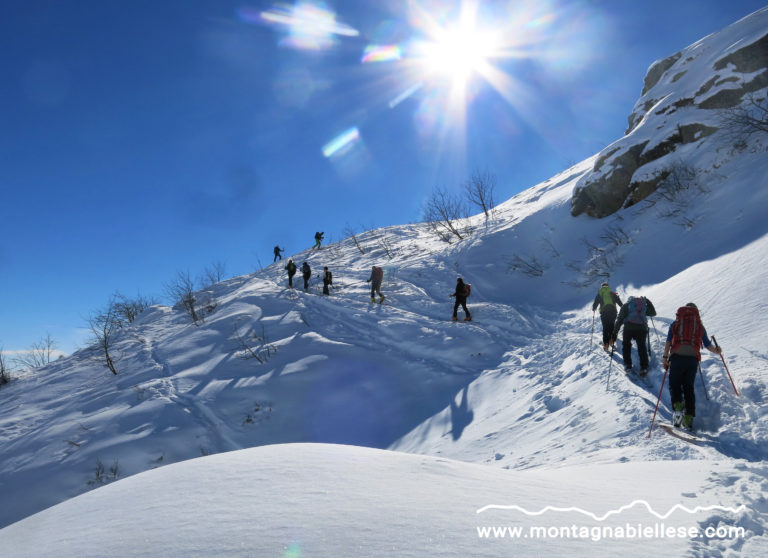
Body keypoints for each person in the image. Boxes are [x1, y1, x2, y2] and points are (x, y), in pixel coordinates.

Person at [662, 303, 722, 431]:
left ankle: (678, 411)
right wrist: (716, 351)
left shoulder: (676, 323)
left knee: (675, 385)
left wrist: (665, 358)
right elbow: (707, 344)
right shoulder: (699, 326)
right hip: (692, 360)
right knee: (688, 387)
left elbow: (668, 341)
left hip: (677, 358)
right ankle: (689, 418)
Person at [612, 295, 656, 375]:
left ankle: (628, 365)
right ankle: (644, 367)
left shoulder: (626, 305)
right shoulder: (643, 306)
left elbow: (620, 319)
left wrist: (614, 333)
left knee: (626, 345)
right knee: (641, 346)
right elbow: (653, 313)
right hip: (641, 329)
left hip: (629, 328)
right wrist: (648, 302)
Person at [592, 282, 623, 350]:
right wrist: (622, 307)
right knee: (612, 325)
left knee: (605, 327)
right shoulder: (612, 293)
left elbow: (595, 303)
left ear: (602, 287)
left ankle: (606, 344)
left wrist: (594, 308)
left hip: (604, 313)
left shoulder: (599, 294)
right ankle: (611, 340)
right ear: (608, 286)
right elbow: (619, 302)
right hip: (613, 312)